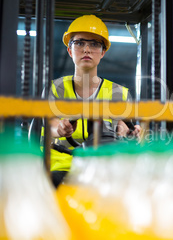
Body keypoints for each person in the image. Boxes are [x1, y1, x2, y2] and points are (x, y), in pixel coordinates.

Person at [43, 15, 141, 188]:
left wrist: (129, 133)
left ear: (103, 52)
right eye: (79, 43)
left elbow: (125, 128)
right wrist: (59, 128)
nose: (86, 49)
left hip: (105, 168)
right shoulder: (54, 89)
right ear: (69, 50)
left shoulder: (119, 93)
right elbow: (46, 124)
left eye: (94, 44)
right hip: (62, 169)